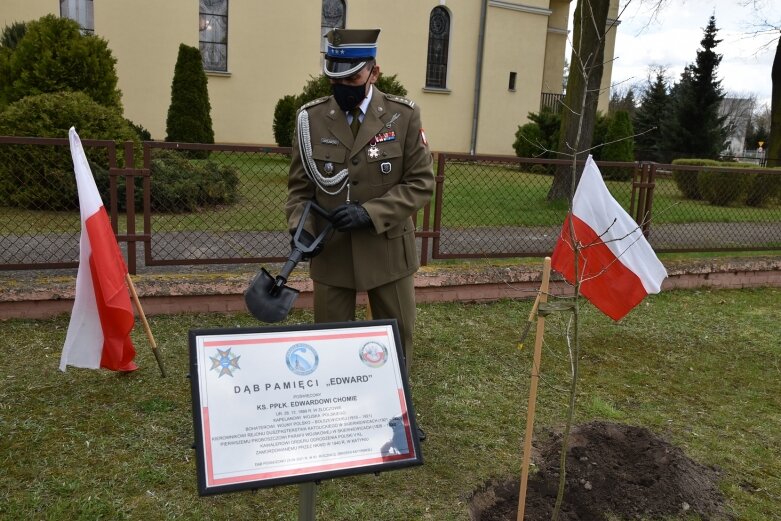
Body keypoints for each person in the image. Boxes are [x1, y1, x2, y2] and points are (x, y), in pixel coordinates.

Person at [285, 28, 434, 378]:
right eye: (335, 79)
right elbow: (299, 190)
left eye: (352, 77)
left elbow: (421, 183)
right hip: (332, 251)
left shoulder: (403, 116)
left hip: (387, 249)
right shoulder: (311, 119)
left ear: (374, 72)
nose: (343, 87)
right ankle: (338, 418)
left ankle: (399, 413)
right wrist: (300, 228)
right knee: (330, 341)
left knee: (397, 338)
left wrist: (369, 213)